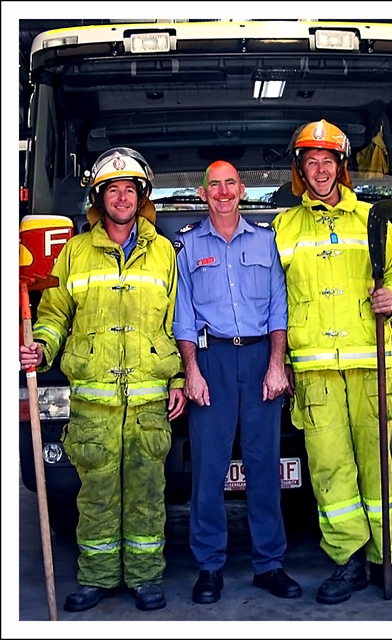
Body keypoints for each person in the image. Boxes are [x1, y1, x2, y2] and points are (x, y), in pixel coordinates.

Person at [19, 147, 186, 612]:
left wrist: (176, 378)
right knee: (95, 496)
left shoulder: (163, 255)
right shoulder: (74, 252)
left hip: (149, 398)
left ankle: (146, 578)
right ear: (99, 197)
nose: (121, 197)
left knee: (147, 494)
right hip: (93, 400)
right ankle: (96, 577)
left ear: (141, 197)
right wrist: (41, 347)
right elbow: (53, 314)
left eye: (129, 189)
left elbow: (177, 322)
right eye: (112, 189)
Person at [271, 120, 392, 605]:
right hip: (314, 373)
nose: (319, 169)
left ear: (341, 165)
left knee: (378, 469)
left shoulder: (373, 220)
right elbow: (275, 299)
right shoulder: (283, 227)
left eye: (327, 160)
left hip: (369, 366)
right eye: (310, 161)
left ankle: (388, 560)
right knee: (331, 472)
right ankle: (349, 561)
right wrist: (283, 361)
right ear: (300, 169)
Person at [172, 160, 301, 604]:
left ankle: (269, 563)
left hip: (262, 355)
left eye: (230, 184)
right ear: (204, 193)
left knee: (264, 465)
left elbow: (279, 308)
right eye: (214, 185)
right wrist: (191, 370)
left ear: (242, 190)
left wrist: (276, 363)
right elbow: (184, 316)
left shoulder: (268, 242)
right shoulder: (187, 247)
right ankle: (209, 566)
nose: (223, 192)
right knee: (208, 469)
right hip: (213, 360)